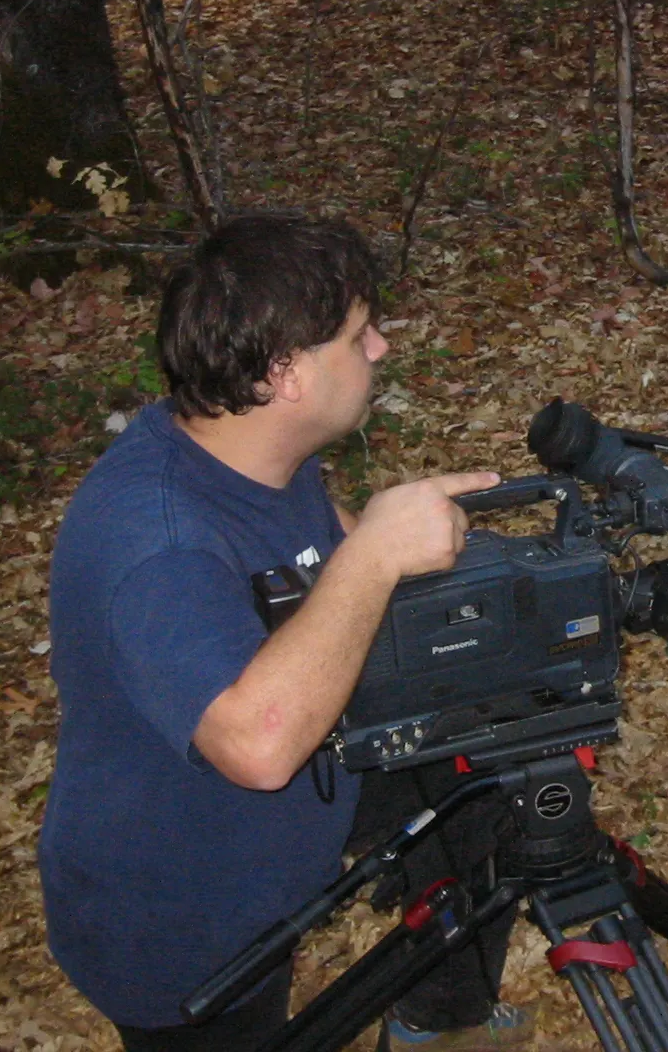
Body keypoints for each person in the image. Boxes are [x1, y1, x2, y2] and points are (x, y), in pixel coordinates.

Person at [39, 216, 533, 1051]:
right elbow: (259, 747)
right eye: (355, 334)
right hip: (181, 897)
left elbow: (314, 548)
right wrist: (375, 554)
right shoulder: (156, 541)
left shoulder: (250, 449)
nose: (379, 347)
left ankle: (437, 1023)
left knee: (488, 793)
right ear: (284, 374)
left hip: (305, 795)